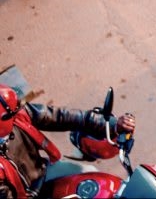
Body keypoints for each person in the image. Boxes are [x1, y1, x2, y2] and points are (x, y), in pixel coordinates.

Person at [0, 84, 136, 198]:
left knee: (92, 174)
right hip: (27, 195)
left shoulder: (19, 115)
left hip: (43, 172)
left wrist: (112, 125)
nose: (17, 110)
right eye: (12, 112)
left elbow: (60, 116)